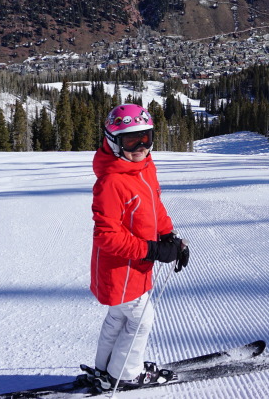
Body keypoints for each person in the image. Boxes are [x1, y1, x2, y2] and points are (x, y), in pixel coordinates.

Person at [88, 103, 189, 389]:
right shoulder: (111, 182)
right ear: (113, 141)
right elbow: (106, 236)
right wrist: (152, 250)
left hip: (134, 268)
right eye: (131, 140)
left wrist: (169, 236)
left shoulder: (144, 168)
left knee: (119, 318)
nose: (141, 146)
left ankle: (104, 370)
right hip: (120, 270)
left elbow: (154, 205)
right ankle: (126, 374)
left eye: (146, 138)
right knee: (141, 320)